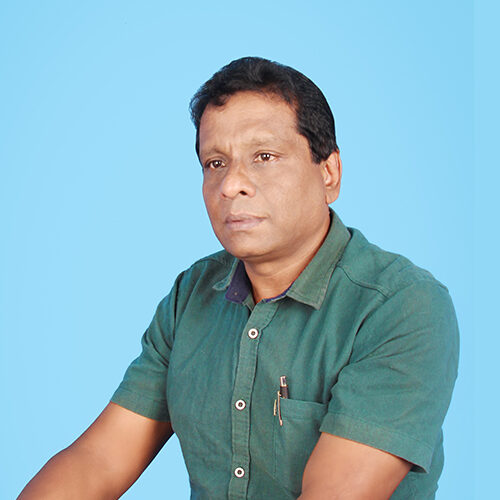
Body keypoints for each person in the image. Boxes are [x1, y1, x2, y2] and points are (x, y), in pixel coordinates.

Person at [18, 57, 459, 500]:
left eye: (264, 157)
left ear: (329, 173)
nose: (231, 185)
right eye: (215, 163)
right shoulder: (192, 294)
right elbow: (98, 460)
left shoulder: (402, 305)